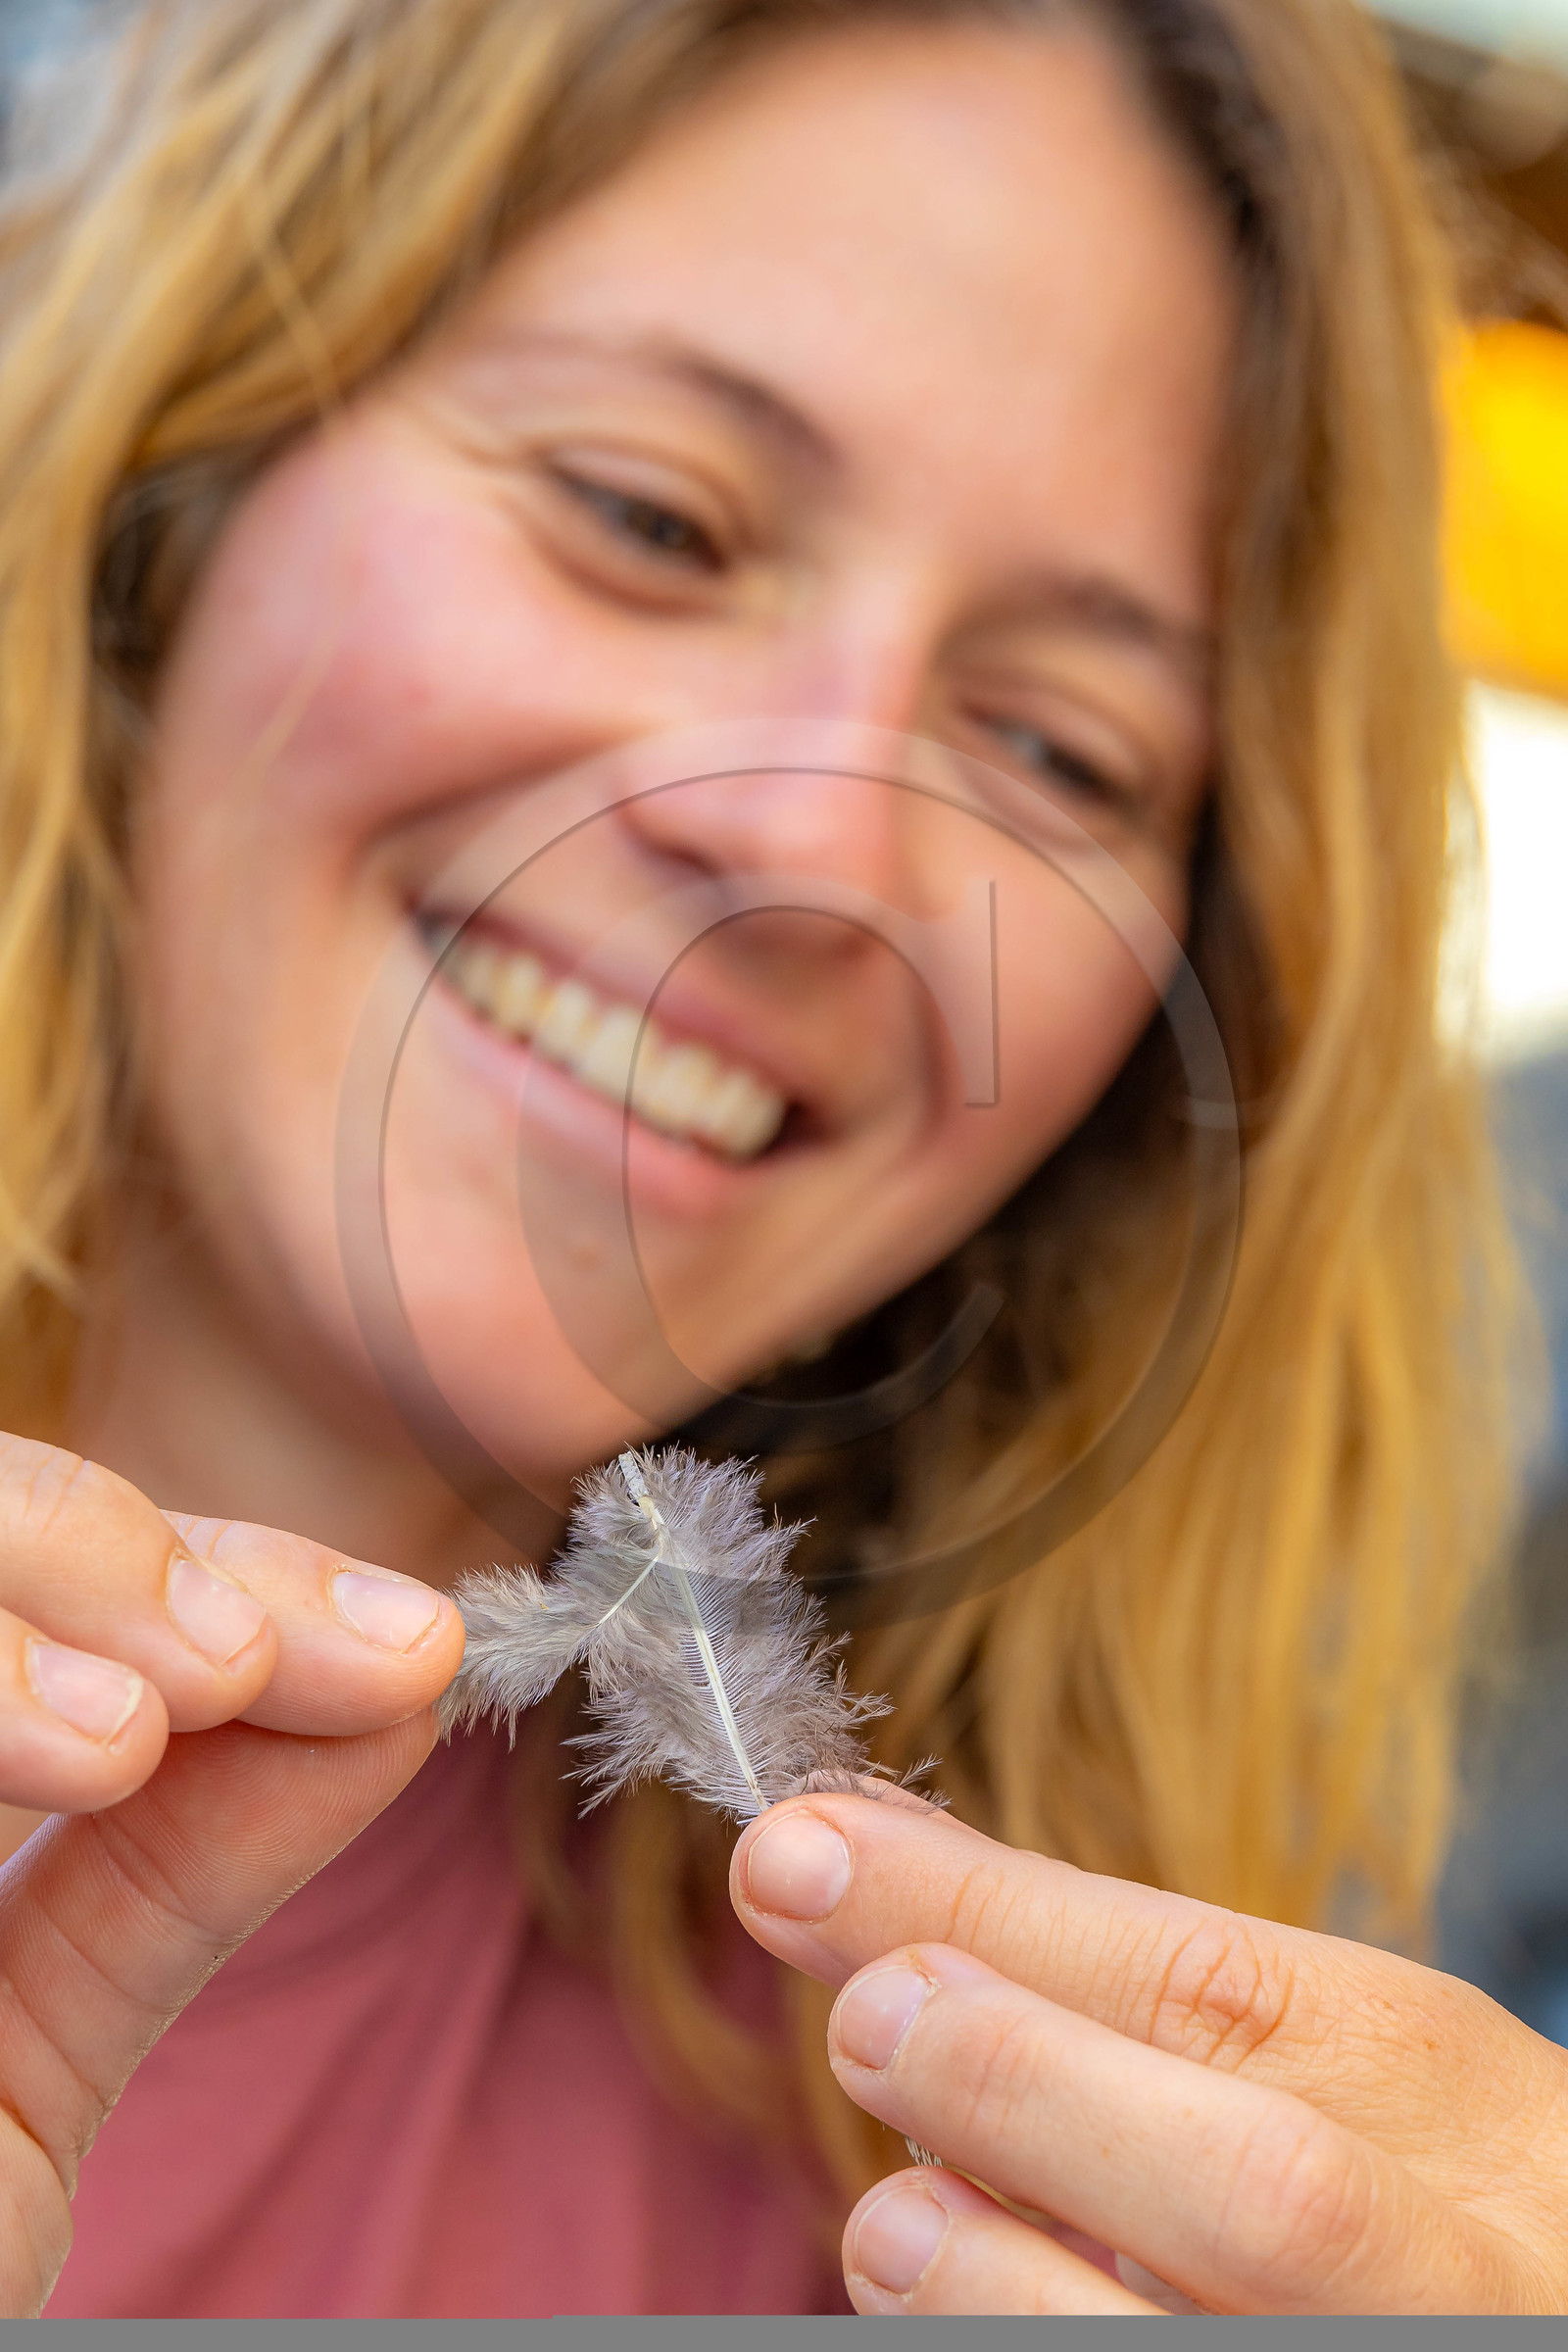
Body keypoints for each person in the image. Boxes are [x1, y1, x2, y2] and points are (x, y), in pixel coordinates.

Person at [0, 0, 1551, 2318]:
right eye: (649, 516)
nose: (816, 846)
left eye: (1053, 742)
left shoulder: (976, 2189)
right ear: (162, 491)